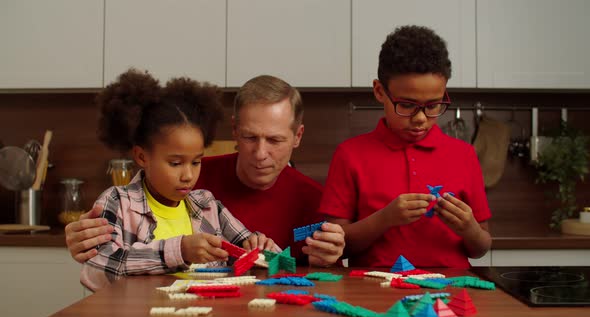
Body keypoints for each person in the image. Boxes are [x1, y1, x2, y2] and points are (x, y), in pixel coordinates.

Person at [67, 75, 345, 268]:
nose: (261, 154)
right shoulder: (186, 186)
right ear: (234, 129)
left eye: (275, 140)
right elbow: (105, 258)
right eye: (250, 138)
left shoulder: (315, 201)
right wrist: (82, 239)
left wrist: (323, 259)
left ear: (298, 136)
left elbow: (262, 254)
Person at [81, 69, 277, 291]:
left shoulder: (208, 205)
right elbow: (100, 268)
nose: (188, 175)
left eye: (196, 162)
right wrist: (179, 251)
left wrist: (262, 250)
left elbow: (252, 253)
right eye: (175, 163)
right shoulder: (117, 202)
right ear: (142, 156)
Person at [318, 25, 492, 268]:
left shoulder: (464, 155)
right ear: (379, 91)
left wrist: (470, 229)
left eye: (433, 105)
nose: (420, 118)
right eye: (407, 105)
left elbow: (481, 247)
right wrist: (384, 219)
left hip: (451, 293)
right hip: (373, 294)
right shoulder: (350, 155)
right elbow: (335, 247)